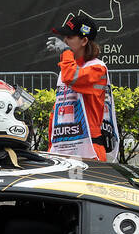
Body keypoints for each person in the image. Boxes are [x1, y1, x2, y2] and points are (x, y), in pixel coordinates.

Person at [47, 14, 119, 161]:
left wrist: (65, 52)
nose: (64, 41)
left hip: (89, 150)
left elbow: (71, 77)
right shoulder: (66, 68)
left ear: (84, 41)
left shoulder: (97, 68)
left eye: (70, 37)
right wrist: (51, 146)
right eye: (64, 37)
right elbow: (57, 114)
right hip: (63, 149)